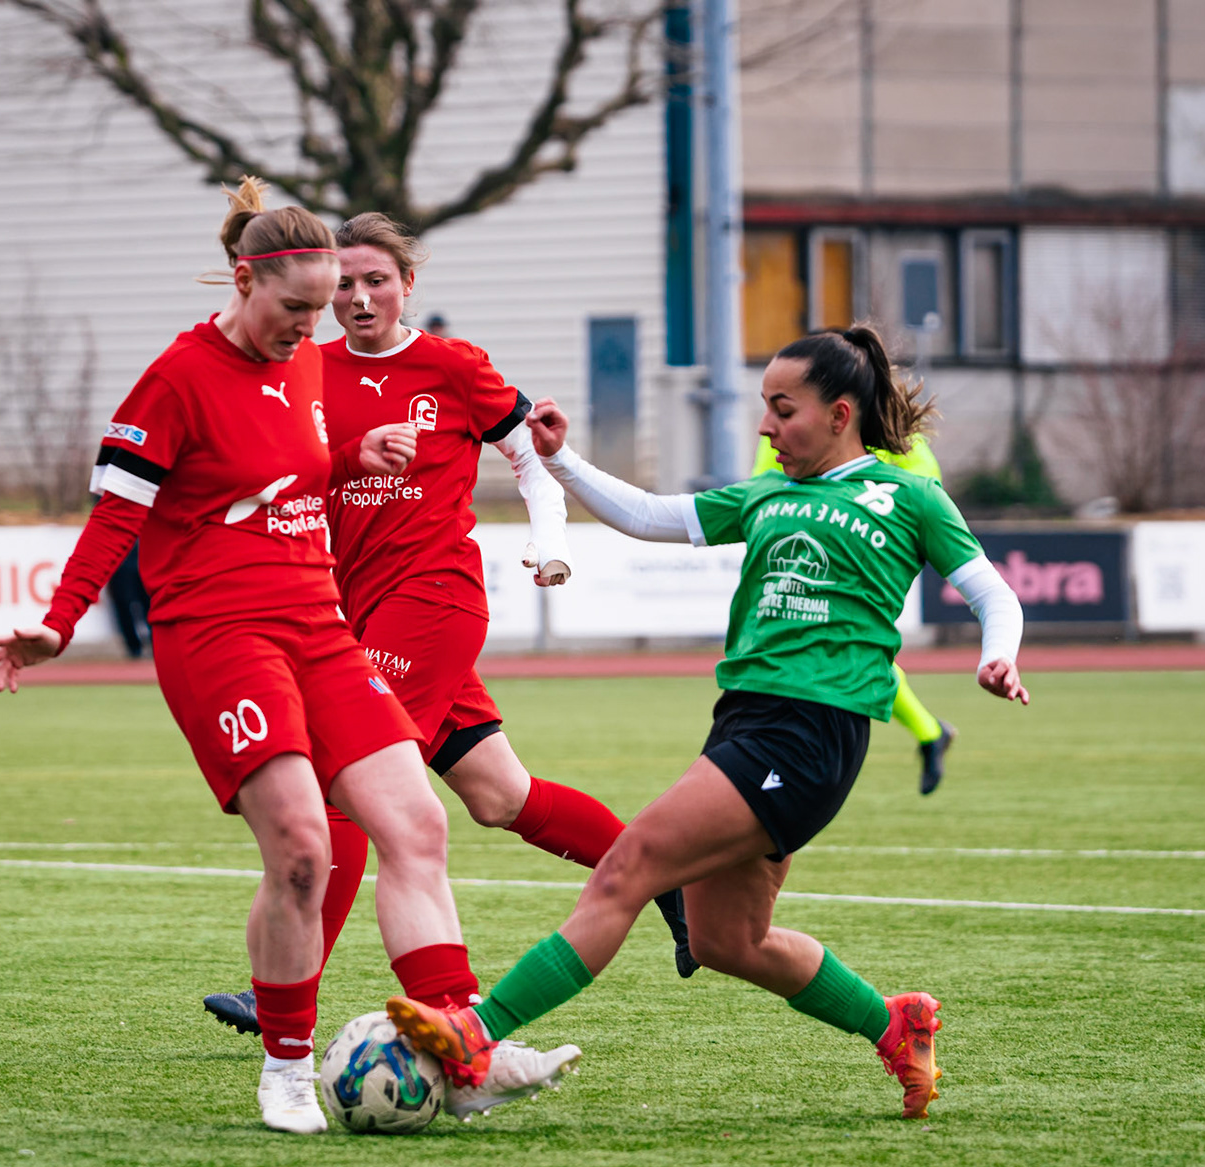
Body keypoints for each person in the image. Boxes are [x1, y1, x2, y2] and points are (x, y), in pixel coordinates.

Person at [0, 178, 579, 1134]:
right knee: (302, 845)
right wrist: (59, 619)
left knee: (417, 826)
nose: (315, 326)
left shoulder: (301, 368)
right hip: (218, 634)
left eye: (324, 304)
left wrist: (349, 457)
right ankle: (288, 1068)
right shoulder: (176, 376)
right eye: (299, 307)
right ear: (246, 282)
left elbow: (277, 474)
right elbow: (119, 514)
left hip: (318, 627)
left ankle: (468, 1054)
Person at [385, 325, 1028, 1121]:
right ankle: (893, 1023)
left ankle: (476, 1032)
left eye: (782, 410)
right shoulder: (769, 495)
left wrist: (997, 655)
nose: (765, 426)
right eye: (763, 407)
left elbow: (993, 593)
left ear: (840, 413)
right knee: (730, 941)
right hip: (746, 728)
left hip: (809, 733)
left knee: (628, 867)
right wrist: (560, 458)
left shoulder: (909, 498)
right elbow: (653, 515)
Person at [202, 213, 698, 1048]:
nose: (360, 300)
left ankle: (288, 990)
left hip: (435, 602)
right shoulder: (305, 371)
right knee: (500, 797)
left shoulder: (452, 366)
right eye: (346, 285)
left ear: (408, 285)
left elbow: (532, 456)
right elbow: (286, 477)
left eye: (377, 282)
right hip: (350, 608)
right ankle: (662, 876)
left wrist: (549, 546)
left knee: (344, 779)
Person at [756, 432, 955, 793]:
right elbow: (763, 483)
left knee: (849, 645)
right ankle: (930, 732)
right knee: (846, 646)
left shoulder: (881, 414)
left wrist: (868, 505)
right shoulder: (792, 419)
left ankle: (929, 733)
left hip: (865, 548)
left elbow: (927, 480)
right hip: (818, 542)